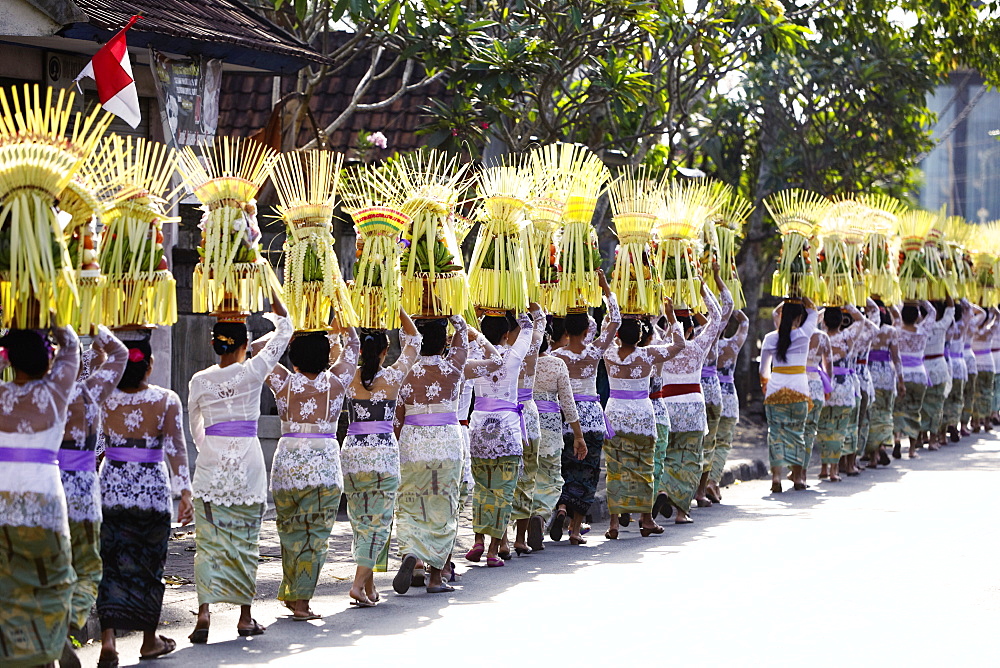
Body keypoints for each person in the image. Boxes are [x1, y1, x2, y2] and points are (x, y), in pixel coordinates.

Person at [187, 290, 292, 643]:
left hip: (211, 464)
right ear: (245, 343)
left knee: (209, 542)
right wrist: (271, 297)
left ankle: (203, 613)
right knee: (246, 540)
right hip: (247, 463)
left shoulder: (199, 380)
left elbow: (195, 429)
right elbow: (286, 328)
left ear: (215, 343)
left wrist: (212, 451)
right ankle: (245, 617)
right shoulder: (253, 371)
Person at [96, 337, 193, 667]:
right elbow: (177, 450)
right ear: (149, 365)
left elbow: (95, 446)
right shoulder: (166, 400)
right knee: (150, 566)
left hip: (110, 488)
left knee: (110, 564)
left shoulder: (104, 399)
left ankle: (108, 641)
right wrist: (185, 493)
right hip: (152, 490)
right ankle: (149, 641)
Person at [253, 322, 359, 619]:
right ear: (327, 357)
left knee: (289, 532)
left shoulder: (284, 382)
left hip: (287, 464)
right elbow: (353, 348)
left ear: (293, 358)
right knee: (315, 536)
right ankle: (300, 602)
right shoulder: (337, 382)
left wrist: (285, 327)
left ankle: (293, 593)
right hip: (323, 466)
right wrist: (343, 324)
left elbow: (257, 349)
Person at [0, 327, 80, 668]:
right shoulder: (57, 390)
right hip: (46, 500)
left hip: (4, 502)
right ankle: (53, 641)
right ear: (47, 358)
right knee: (53, 578)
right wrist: (50, 311)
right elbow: (72, 345)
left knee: (10, 579)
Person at [50, 328, 127, 645]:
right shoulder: (90, 391)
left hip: (47, 484)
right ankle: (72, 619)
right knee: (88, 565)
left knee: (53, 560)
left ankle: (49, 626)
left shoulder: (42, 390)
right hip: (82, 485)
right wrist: (92, 320)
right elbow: (120, 354)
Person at [342, 311, 419, 605]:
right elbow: (414, 340)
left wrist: (346, 308)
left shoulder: (348, 375)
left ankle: (370, 587)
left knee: (361, 520)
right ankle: (359, 584)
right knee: (380, 521)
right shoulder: (393, 377)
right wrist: (397, 307)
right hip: (383, 454)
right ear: (386, 351)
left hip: (352, 452)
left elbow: (339, 341)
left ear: (360, 350)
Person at [393, 315, 469, 595]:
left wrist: (413, 318)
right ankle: (436, 577)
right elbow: (463, 336)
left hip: (413, 443)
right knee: (444, 506)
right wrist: (451, 315)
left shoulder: (405, 369)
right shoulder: (454, 366)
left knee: (410, 500)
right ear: (443, 343)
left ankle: (412, 556)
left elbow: (398, 419)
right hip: (447, 444)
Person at [466, 306, 544, 567]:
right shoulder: (512, 358)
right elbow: (530, 328)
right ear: (507, 334)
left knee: (482, 487)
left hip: (478, 429)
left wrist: (480, 314)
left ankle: (478, 540)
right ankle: (492, 550)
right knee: (503, 492)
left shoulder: (476, 354)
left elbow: (469, 331)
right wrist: (518, 303)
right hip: (507, 431)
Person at [550, 270, 620, 544]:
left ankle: (562, 506)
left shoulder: (557, 355)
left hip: (564, 417)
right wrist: (605, 288)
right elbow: (614, 321)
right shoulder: (593, 352)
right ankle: (576, 530)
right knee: (588, 470)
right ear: (586, 330)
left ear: (566, 330)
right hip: (591, 417)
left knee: (564, 466)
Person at [604, 302, 685, 539]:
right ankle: (646, 519)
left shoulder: (608, 352)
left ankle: (613, 524)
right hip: (642, 416)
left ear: (617, 334)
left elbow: (604, 329)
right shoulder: (648, 354)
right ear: (641, 336)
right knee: (644, 468)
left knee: (615, 468)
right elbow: (679, 344)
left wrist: (612, 302)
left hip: (615, 415)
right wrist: (671, 317)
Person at [661, 264, 732, 520]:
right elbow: (718, 316)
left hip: (668, 405)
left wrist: (664, 306)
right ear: (690, 329)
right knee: (690, 456)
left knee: (668, 453)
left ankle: (663, 489)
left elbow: (648, 323)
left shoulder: (660, 345)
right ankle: (682, 511)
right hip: (693, 406)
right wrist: (701, 288)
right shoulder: (698, 346)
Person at [523, 325, 586, 550]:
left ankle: (527, 519)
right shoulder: (556, 364)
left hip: (524, 423)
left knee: (528, 475)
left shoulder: (519, 362)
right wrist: (578, 435)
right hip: (550, 425)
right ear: (547, 341)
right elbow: (568, 403)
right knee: (551, 477)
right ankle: (540, 515)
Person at [760, 298, 817, 490]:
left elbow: (763, 370)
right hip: (799, 391)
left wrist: (765, 384)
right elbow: (814, 311)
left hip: (775, 391)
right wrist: (799, 295)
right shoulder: (803, 335)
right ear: (799, 317)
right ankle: (799, 478)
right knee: (797, 434)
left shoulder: (770, 338)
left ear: (782, 315)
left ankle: (776, 478)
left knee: (775, 434)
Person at [815, 302, 874, 482]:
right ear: (841, 321)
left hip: (824, 384)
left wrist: (823, 307)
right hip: (846, 386)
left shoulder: (818, 337)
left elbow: (811, 320)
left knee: (824, 426)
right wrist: (846, 303)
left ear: (824, 321)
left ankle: (824, 468)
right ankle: (834, 470)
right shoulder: (847, 337)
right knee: (841, 428)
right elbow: (861, 319)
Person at [511, 307, 546, 556]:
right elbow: (540, 319)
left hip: (501, 417)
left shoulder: (495, 347)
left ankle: (499, 540)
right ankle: (520, 538)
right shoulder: (532, 342)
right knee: (526, 479)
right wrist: (525, 297)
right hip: (528, 416)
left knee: (503, 480)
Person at [707, 310, 749, 501]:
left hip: (708, 394)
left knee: (707, 442)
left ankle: (704, 482)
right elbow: (745, 323)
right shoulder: (733, 345)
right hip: (729, 397)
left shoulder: (706, 344)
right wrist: (734, 310)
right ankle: (713, 482)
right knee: (723, 443)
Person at [892, 300, 935, 459]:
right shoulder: (923, 330)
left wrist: (903, 301)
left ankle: (896, 437)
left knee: (898, 408)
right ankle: (911, 449)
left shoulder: (897, 330)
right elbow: (932, 313)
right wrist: (922, 300)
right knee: (914, 410)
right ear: (917, 316)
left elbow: (894, 308)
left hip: (901, 374)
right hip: (919, 374)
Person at [863, 300, 903, 468]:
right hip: (886, 374)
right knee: (885, 412)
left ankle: (872, 455)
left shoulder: (866, 329)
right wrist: (901, 380)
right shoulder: (890, 331)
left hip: (869, 373)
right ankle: (880, 446)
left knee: (870, 413)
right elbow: (896, 358)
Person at [695, 312, 724, 507]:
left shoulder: (676, 335)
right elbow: (725, 309)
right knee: (708, 443)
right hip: (707, 392)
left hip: (680, 392)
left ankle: (671, 490)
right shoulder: (708, 335)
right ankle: (700, 491)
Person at [918, 298, 954, 451]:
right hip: (939, 368)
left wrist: (918, 299)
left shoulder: (918, 328)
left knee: (922, 405)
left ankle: (921, 436)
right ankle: (933, 439)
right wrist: (946, 286)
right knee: (937, 405)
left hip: (923, 369)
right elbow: (951, 309)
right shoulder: (941, 326)